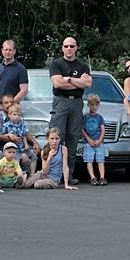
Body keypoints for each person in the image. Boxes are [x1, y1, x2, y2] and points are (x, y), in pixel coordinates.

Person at [48, 36, 91, 172]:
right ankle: (55, 172)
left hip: (77, 103)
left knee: (73, 139)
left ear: (76, 48)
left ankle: (69, 174)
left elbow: (88, 83)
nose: (69, 49)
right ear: (62, 48)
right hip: (61, 102)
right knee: (57, 138)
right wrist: (79, 82)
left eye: (72, 46)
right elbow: (58, 83)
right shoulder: (56, 64)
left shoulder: (83, 65)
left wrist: (69, 79)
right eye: (66, 46)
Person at [0, 39, 28, 115]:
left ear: (14, 51)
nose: (8, 52)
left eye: (10, 50)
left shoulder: (21, 69)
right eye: (6, 49)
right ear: (2, 51)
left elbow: (24, 90)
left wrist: (10, 104)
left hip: (10, 109)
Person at [82, 93, 107, 186]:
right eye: (92, 105)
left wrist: (100, 140)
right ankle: (92, 177)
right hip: (88, 143)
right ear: (88, 105)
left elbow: (102, 129)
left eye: (96, 105)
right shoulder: (85, 117)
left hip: (98, 142)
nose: (94, 107)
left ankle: (102, 177)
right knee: (89, 160)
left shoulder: (100, 117)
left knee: (100, 160)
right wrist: (89, 140)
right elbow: (82, 129)